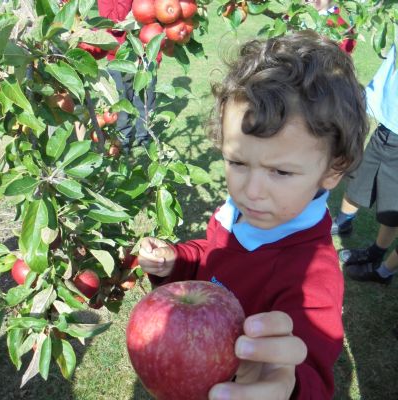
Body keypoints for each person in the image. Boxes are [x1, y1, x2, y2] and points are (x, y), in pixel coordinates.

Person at [137, 30, 368, 399]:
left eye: (281, 171)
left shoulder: (311, 276)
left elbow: (309, 370)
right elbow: (213, 256)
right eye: (238, 162)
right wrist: (178, 260)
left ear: (332, 169)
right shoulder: (237, 214)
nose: (252, 190)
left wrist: (286, 387)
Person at [332, 45, 398, 284]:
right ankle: (343, 223)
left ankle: (378, 259)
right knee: (358, 180)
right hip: (386, 128)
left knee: (392, 209)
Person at [97, 0, 156, 149]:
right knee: (121, 102)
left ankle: (144, 137)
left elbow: (155, 20)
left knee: (146, 100)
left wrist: (157, 56)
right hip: (119, 58)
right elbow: (113, 24)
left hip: (146, 54)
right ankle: (123, 140)